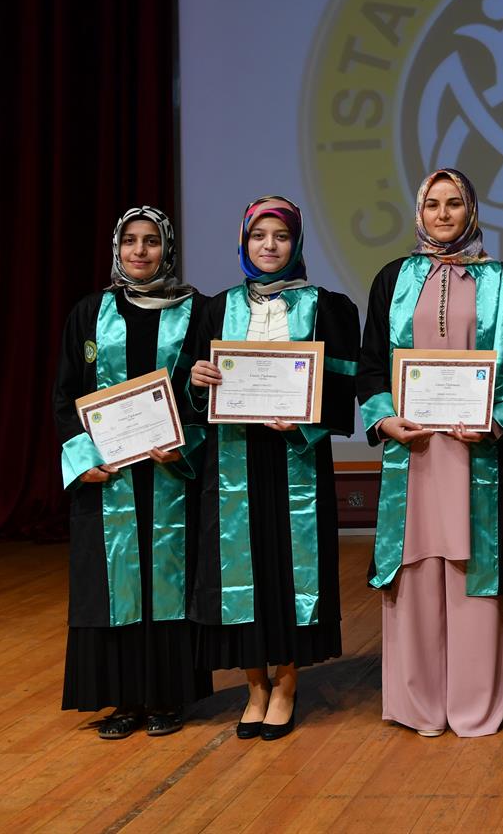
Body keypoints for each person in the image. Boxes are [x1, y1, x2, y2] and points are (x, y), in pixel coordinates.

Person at [357, 169, 503, 738]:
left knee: (472, 570)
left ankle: (474, 705)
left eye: (455, 204)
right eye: (433, 204)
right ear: (420, 212)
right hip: (414, 455)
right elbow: (371, 364)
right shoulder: (392, 279)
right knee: (416, 570)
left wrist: (498, 422)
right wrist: (385, 418)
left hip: (477, 455)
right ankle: (420, 706)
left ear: (471, 211)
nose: (444, 214)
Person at [186, 196, 359, 740]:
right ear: (244, 242)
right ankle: (254, 685)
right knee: (243, 572)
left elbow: (345, 385)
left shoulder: (328, 306)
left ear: (296, 243)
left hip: (296, 456)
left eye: (280, 236)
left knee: (287, 569)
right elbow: (192, 387)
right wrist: (197, 382)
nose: (269, 246)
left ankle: (285, 684)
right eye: (258, 236)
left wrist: (306, 420)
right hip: (233, 461)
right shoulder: (215, 309)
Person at [53, 205, 211, 738]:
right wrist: (84, 459)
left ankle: (167, 697)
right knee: (113, 583)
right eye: (130, 241)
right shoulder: (89, 312)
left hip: (170, 473)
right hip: (110, 475)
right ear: (117, 248)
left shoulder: (196, 310)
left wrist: (185, 445)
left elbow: (206, 396)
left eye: (151, 241)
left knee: (167, 577)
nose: (140, 251)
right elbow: (65, 395)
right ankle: (122, 700)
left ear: (168, 248)